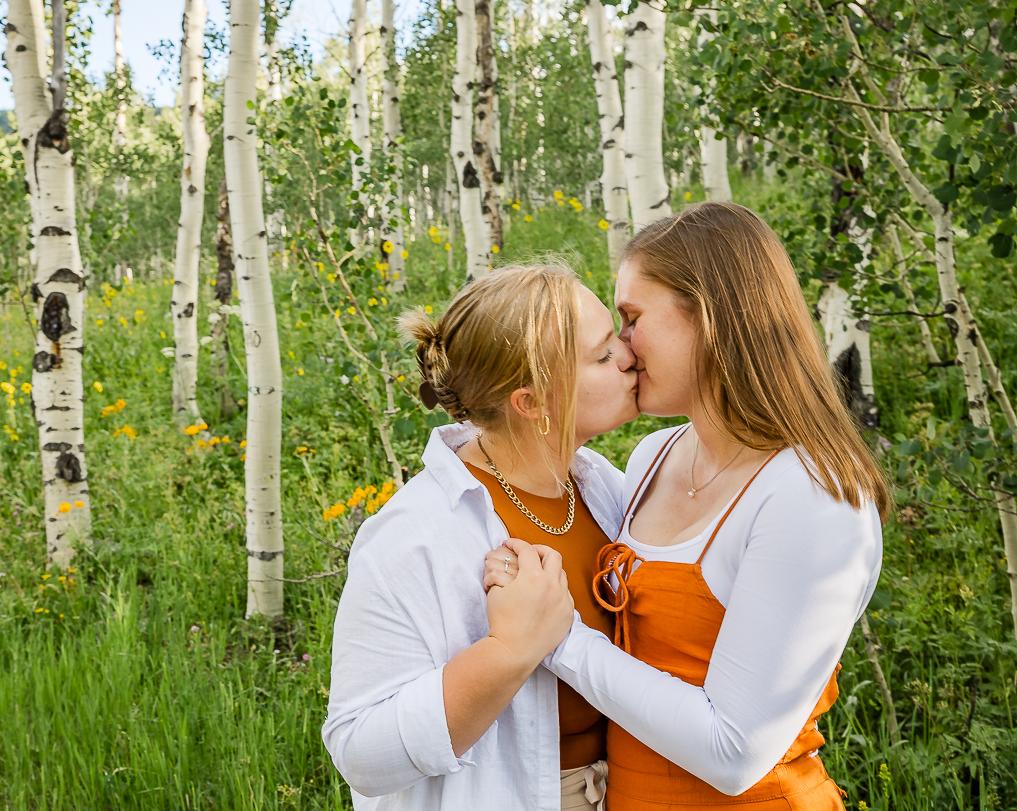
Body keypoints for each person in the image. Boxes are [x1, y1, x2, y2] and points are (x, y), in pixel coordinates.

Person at [484, 202, 888, 810]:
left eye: (631, 318)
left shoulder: (812, 497)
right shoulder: (654, 456)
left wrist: (556, 636)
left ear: (708, 318)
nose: (621, 348)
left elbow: (735, 752)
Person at [322, 263, 640, 810]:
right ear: (532, 403)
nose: (629, 357)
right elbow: (359, 752)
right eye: (603, 354)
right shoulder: (413, 536)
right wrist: (507, 652)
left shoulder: (605, 488)